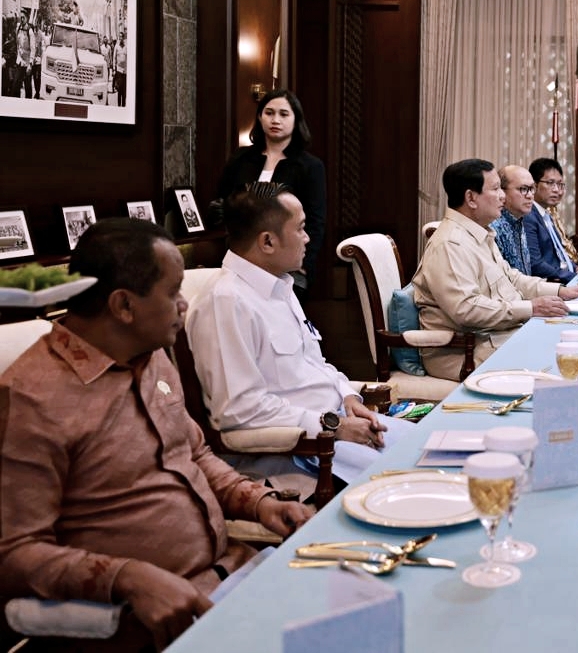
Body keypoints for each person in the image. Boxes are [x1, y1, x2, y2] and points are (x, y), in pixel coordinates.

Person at [0, 218, 312, 651]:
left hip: (234, 571)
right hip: (151, 621)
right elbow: (15, 553)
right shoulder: (33, 397)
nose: (184, 305)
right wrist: (125, 577)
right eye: (173, 292)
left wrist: (259, 503)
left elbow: (196, 456)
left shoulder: (151, 356)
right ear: (124, 306)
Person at [186, 184, 411, 486]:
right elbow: (240, 411)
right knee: (415, 480)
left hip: (335, 428)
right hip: (299, 450)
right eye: (301, 229)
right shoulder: (226, 302)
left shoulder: (278, 285)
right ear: (267, 241)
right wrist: (332, 426)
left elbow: (312, 366)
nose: (307, 238)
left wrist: (347, 396)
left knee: (436, 449)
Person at [413, 159, 578, 380]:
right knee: (567, 356)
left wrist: (559, 291)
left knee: (577, 342)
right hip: (463, 351)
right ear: (471, 198)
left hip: (496, 336)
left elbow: (511, 277)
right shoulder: (450, 244)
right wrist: (530, 308)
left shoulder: (481, 232)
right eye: (495, 189)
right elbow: (467, 310)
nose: (502, 196)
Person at [216, 89, 325, 299]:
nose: (275, 120)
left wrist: (303, 265)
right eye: (269, 113)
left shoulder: (310, 166)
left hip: (286, 263)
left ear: (296, 120)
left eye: (284, 114)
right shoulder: (240, 158)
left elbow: (316, 221)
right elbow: (223, 201)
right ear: (259, 117)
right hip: (242, 255)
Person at [526, 157, 578, 284]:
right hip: (552, 285)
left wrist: (575, 269)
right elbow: (535, 264)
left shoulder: (547, 213)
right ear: (534, 185)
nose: (557, 190)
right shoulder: (528, 216)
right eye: (550, 183)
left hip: (566, 278)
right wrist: (570, 276)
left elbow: (559, 252)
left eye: (560, 184)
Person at [492, 164, 536, 275]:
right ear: (502, 191)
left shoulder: (519, 220)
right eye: (524, 189)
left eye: (532, 189)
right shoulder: (493, 227)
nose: (530, 195)